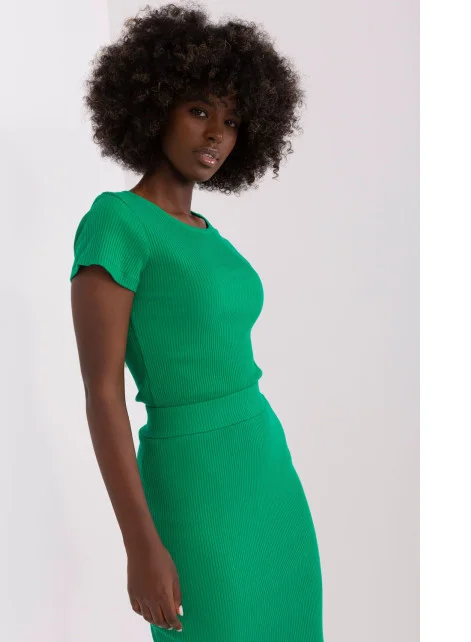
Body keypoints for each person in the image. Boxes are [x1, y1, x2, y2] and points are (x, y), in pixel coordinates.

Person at [70, 3, 323, 640]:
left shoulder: (206, 232)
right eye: (199, 110)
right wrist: (140, 545)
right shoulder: (116, 222)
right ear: (154, 107)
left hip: (266, 467)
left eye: (232, 121)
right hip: (193, 481)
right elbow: (103, 395)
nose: (216, 134)